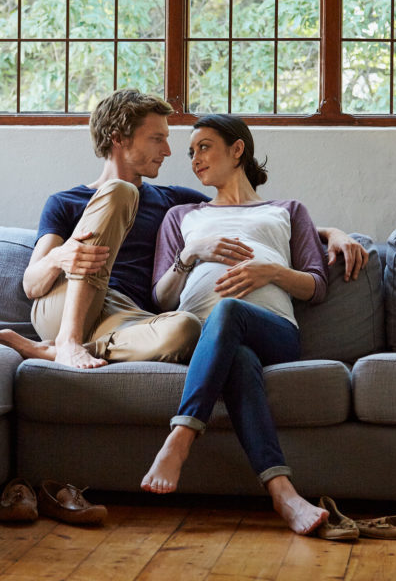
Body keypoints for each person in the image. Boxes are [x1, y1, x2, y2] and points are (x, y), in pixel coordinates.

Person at [0, 90, 368, 371]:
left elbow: (248, 217)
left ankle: (57, 350)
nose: (169, 151)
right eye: (158, 138)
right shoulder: (65, 202)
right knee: (119, 191)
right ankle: (67, 342)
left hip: (126, 320)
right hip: (65, 306)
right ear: (119, 139)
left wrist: (331, 232)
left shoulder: (175, 202)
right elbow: (32, 285)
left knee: (187, 327)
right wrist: (59, 256)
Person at [140, 113, 334, 535]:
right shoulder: (182, 217)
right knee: (239, 360)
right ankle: (284, 495)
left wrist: (270, 272)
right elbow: (161, 298)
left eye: (204, 146)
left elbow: (316, 286)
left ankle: (180, 437)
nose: (194, 159)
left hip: (275, 331)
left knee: (228, 310)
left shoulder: (286, 211)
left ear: (238, 149)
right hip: (202, 339)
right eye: (190, 152)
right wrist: (192, 254)